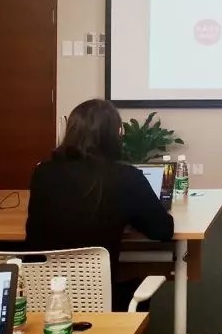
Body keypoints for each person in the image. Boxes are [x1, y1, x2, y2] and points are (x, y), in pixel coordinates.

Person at [26, 99, 174, 311]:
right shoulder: (126, 177)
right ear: (115, 135)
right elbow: (162, 229)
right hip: (99, 302)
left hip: (44, 300)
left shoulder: (43, 173)